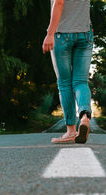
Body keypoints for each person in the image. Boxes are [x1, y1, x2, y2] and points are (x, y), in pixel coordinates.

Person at [42, 0, 93, 144]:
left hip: (62, 35)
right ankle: (84, 117)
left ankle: (71, 131)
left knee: (64, 83)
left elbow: (59, 3)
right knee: (81, 81)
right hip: (85, 33)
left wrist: (50, 34)